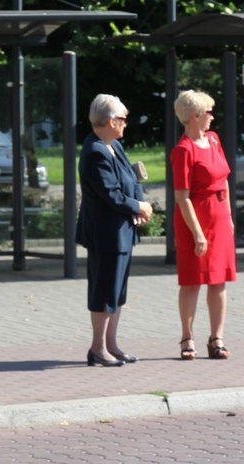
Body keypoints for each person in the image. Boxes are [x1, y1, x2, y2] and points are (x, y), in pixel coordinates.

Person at [76, 94, 152, 367]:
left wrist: (139, 206)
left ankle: (112, 344)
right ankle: (98, 348)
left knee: (117, 292)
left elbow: (131, 179)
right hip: (105, 233)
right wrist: (137, 206)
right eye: (122, 119)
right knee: (104, 291)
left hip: (122, 230)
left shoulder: (113, 146)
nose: (125, 124)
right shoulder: (95, 151)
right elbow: (111, 194)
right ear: (110, 121)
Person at [171, 90, 236, 361]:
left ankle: (216, 338)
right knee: (192, 281)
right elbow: (182, 196)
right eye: (208, 112)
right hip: (195, 218)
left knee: (219, 281)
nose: (212, 116)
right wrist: (197, 233)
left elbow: (224, 180)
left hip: (219, 216)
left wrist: (229, 217)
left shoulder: (214, 139)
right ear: (195, 116)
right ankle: (187, 337)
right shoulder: (183, 150)